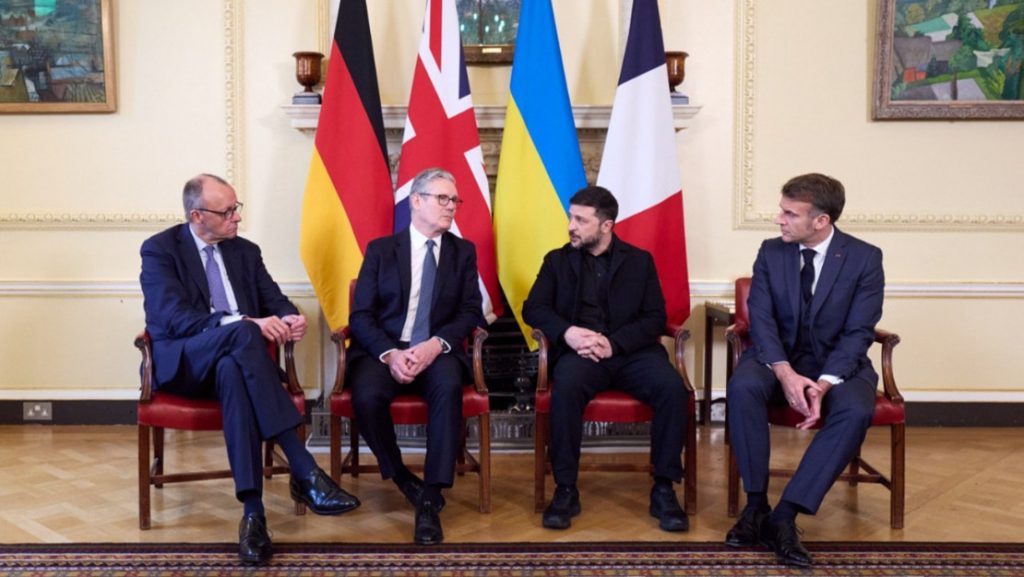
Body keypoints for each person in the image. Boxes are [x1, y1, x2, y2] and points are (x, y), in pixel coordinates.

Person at [140, 174, 359, 565]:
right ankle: (304, 470)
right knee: (242, 332)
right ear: (196, 216)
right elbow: (173, 318)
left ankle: (253, 515)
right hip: (186, 364)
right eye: (226, 212)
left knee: (232, 369)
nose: (236, 218)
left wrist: (291, 318)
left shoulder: (245, 252)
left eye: (236, 208)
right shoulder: (160, 250)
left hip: (236, 367)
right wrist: (244, 322)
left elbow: (276, 300)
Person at [725, 173, 884, 567]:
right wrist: (785, 373)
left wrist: (825, 383)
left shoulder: (865, 258)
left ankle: (785, 515)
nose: (778, 219)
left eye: (790, 214)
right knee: (743, 386)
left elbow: (859, 332)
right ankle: (756, 505)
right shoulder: (771, 252)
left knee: (857, 409)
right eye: (781, 210)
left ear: (821, 220)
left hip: (838, 364)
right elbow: (760, 319)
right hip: (776, 358)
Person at [522, 185, 689, 533]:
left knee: (672, 389)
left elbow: (654, 318)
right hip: (580, 354)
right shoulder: (556, 260)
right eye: (571, 217)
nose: (571, 226)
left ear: (606, 225)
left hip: (631, 353)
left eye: (581, 220)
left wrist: (614, 344)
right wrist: (568, 333)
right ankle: (565, 488)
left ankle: (663, 487)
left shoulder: (640, 261)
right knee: (566, 387)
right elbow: (533, 308)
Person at [347, 168, 483, 545]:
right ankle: (403, 477)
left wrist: (435, 345)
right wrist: (391, 354)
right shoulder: (380, 250)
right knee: (367, 396)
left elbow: (470, 311)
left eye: (454, 200)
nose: (451, 206)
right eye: (443, 198)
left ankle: (431, 496)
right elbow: (361, 315)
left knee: (448, 387)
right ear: (416, 201)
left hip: (437, 350)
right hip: (385, 350)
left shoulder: (462, 252)